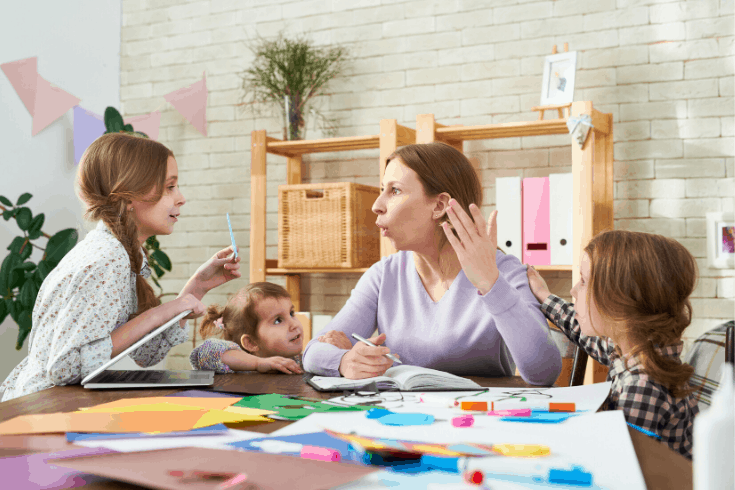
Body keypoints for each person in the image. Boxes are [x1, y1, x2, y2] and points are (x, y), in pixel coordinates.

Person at [0, 133, 240, 402]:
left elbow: (146, 352)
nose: (181, 198)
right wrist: (161, 312)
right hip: (41, 409)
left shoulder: (123, 253)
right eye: (169, 187)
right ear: (129, 198)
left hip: (53, 404)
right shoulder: (107, 259)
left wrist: (197, 286)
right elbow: (63, 368)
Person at [303, 142, 562, 385]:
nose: (376, 205)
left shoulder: (503, 272)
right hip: (402, 421)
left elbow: (543, 373)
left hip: (479, 422)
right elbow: (313, 352)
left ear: (439, 205)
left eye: (394, 190)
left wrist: (490, 284)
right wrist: (344, 361)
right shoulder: (384, 276)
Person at [526, 229, 699, 459]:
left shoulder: (641, 387)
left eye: (584, 281)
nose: (573, 290)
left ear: (619, 299)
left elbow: (620, 470)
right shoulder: (634, 351)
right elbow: (579, 329)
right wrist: (542, 294)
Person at [190, 282, 304, 374]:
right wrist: (258, 363)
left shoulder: (299, 360)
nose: (294, 324)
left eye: (291, 313)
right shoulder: (239, 367)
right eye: (278, 320)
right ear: (251, 342)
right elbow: (207, 352)